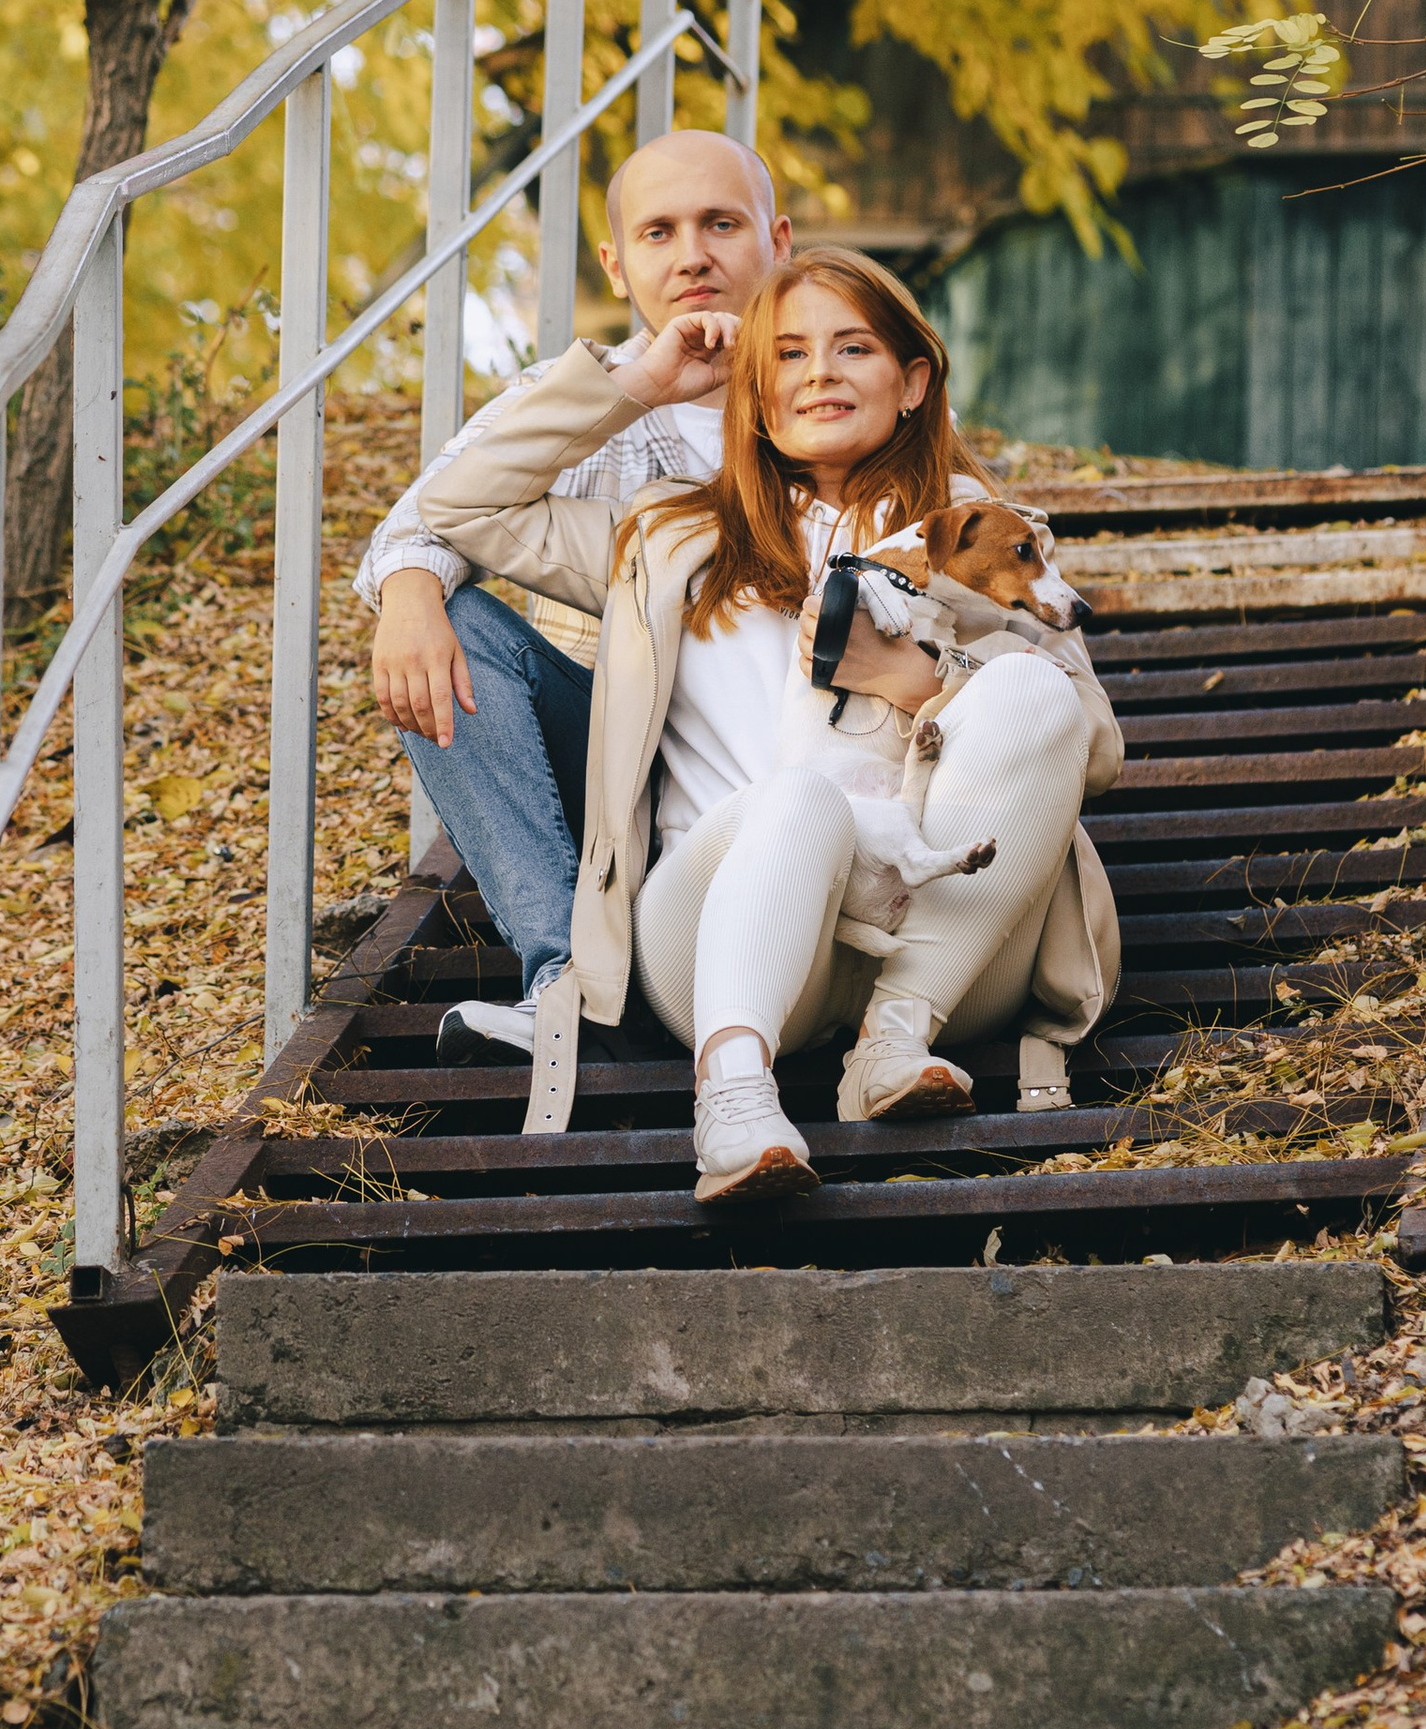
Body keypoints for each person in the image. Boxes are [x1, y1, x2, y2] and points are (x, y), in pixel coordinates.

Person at [406, 247, 1123, 1192]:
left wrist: (916, 678)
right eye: (786, 354)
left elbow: (1089, 741)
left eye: (853, 347)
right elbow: (456, 501)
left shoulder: (986, 541)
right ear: (752, 393)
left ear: (913, 382)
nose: (820, 371)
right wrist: (637, 381)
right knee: (798, 796)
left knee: (1031, 685)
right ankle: (736, 1095)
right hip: (714, 937)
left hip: (949, 949)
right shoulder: (667, 536)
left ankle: (892, 1043)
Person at [358, 127, 782, 1068]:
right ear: (616, 262)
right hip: (627, 774)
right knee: (452, 621)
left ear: (777, 240)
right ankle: (568, 983)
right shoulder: (582, 399)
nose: (693, 255)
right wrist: (411, 594)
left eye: (721, 224)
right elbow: (422, 517)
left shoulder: (834, 384)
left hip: (790, 762)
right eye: (659, 232)